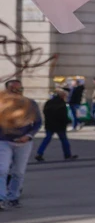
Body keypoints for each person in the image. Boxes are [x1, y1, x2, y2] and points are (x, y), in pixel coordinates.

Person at [0, 80, 40, 209]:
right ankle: (1, 198)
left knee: (18, 172)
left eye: (20, 89)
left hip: (23, 142)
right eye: (13, 89)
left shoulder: (30, 104)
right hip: (4, 141)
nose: (17, 91)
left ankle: (13, 197)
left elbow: (38, 122)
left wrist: (28, 136)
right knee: (2, 169)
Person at [35, 89, 74, 162]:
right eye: (65, 96)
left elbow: (44, 112)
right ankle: (67, 155)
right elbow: (63, 115)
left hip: (49, 124)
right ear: (62, 96)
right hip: (60, 125)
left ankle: (39, 153)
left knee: (47, 139)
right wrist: (68, 121)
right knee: (64, 140)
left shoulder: (49, 102)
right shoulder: (61, 104)